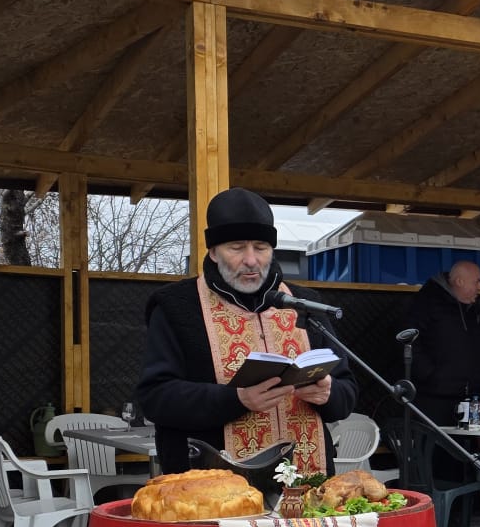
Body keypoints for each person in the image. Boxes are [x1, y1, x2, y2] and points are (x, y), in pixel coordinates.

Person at [139, 187, 358, 475]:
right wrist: (236, 400)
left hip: (306, 484)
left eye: (261, 247)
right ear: (214, 252)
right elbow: (155, 398)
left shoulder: (305, 303)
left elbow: (347, 391)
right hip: (211, 487)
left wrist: (328, 394)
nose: (252, 260)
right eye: (237, 247)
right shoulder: (176, 306)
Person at [403, 259, 480, 429]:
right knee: (433, 451)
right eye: (477, 281)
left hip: (469, 400)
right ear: (460, 281)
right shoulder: (427, 304)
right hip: (433, 399)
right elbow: (407, 341)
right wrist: (431, 376)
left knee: (462, 453)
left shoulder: (476, 313)